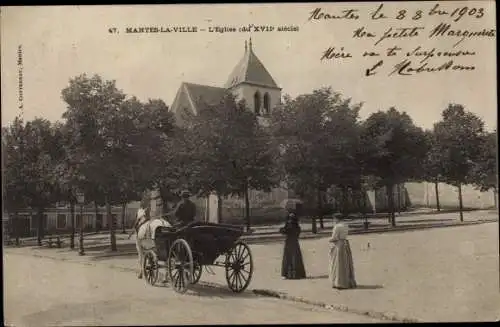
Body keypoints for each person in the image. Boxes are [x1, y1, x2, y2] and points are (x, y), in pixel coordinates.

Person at [328, 215, 357, 289]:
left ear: (336, 219)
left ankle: (339, 282)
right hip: (345, 244)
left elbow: (334, 237)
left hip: (339, 245)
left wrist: (330, 240)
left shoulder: (337, 227)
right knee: (346, 263)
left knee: (338, 264)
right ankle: (348, 281)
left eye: (334, 219)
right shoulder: (345, 225)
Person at [280, 208, 306, 280]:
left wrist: (283, 228)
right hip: (295, 243)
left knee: (288, 258)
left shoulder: (289, 225)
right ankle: (297, 274)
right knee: (296, 258)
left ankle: (289, 274)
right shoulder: (297, 227)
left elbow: (283, 231)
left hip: (289, 243)